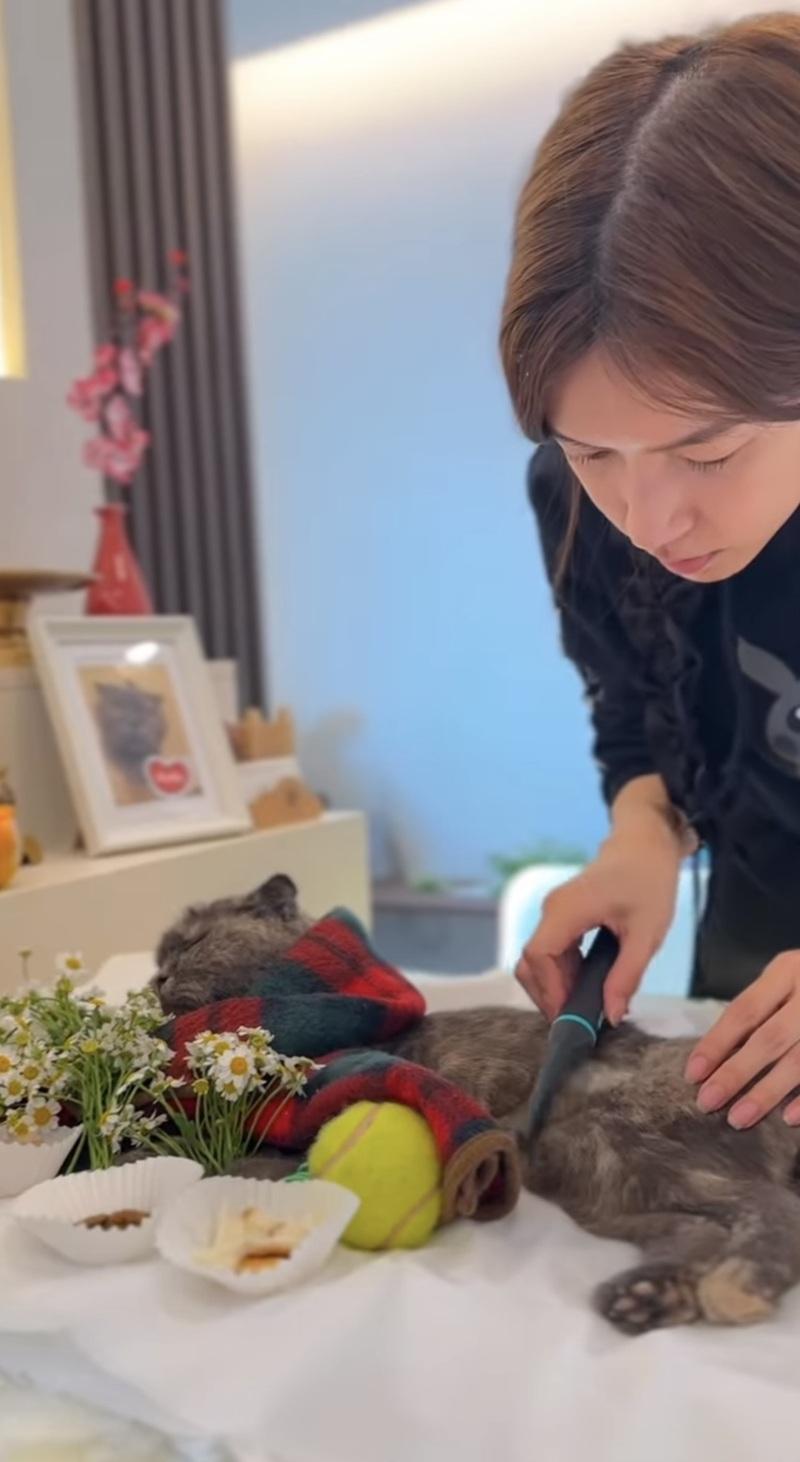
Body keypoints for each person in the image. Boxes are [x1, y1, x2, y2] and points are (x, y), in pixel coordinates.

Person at [499, 12, 800, 1131]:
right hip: (757, 965)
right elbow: (636, 710)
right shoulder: (581, 502)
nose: (647, 518)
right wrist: (644, 836)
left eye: (707, 453)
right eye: (594, 454)